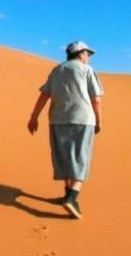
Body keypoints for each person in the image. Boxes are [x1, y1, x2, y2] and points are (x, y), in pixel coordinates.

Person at [27, 41, 104, 219]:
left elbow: (44, 95)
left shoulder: (57, 70)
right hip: (83, 120)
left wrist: (34, 117)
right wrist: (99, 121)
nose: (89, 57)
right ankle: (72, 197)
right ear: (81, 53)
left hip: (57, 120)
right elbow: (97, 99)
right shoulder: (87, 71)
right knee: (81, 159)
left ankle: (66, 194)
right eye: (88, 54)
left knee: (65, 158)